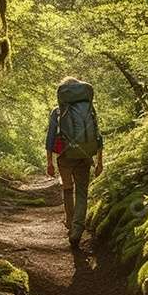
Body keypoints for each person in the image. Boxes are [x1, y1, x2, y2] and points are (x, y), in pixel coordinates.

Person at [45, 77, 103, 249]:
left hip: (65, 156)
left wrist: (50, 162)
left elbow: (50, 137)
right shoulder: (89, 109)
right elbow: (98, 136)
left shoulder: (58, 111)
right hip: (85, 156)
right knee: (83, 193)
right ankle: (78, 229)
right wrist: (99, 162)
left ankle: (70, 223)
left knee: (67, 188)